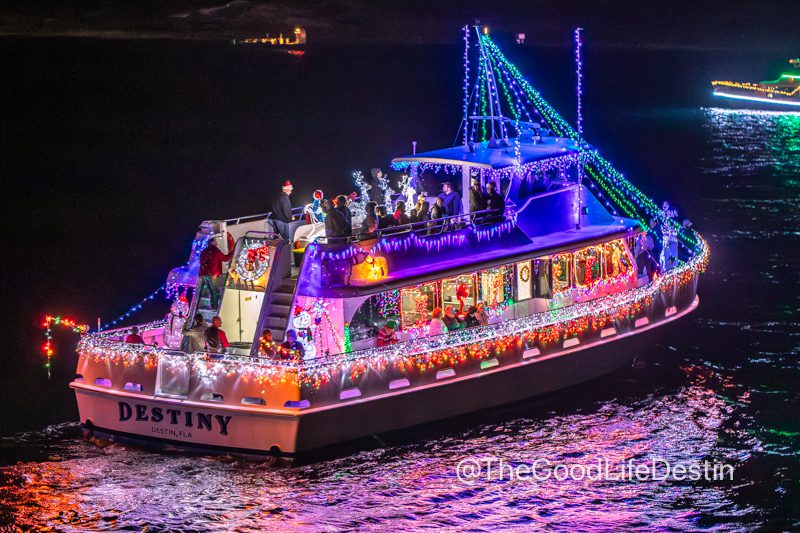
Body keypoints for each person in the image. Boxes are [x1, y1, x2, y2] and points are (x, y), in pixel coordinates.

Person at [198, 237, 233, 310]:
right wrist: (232, 252)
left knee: (210, 290)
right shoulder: (215, 251)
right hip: (212, 274)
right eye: (216, 241)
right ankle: (215, 307)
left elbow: (201, 262)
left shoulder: (204, 251)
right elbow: (225, 258)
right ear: (213, 243)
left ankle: (213, 306)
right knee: (214, 290)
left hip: (204, 274)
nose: (217, 243)